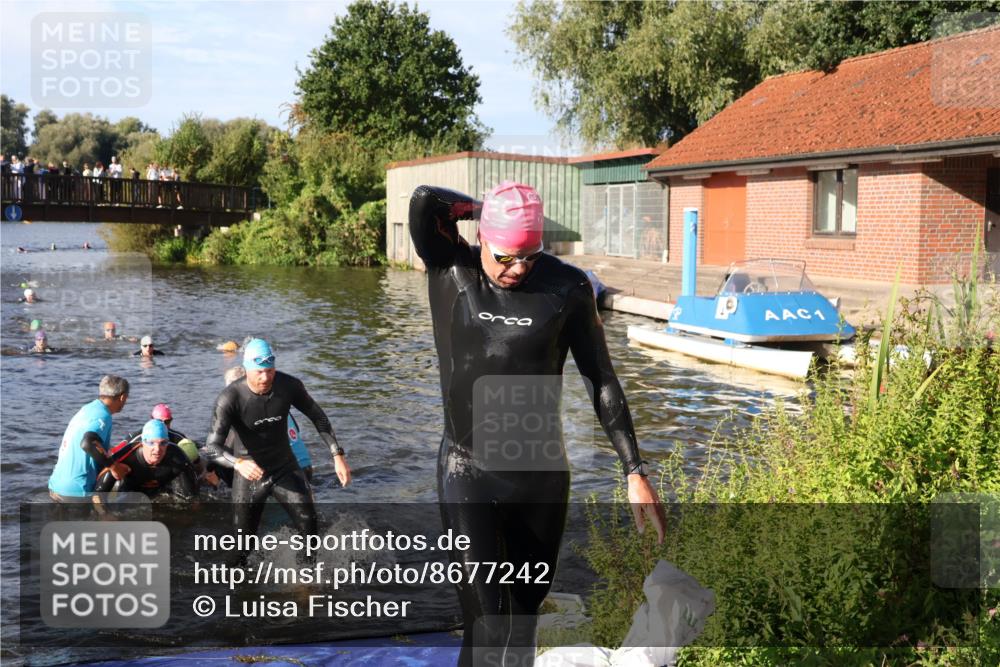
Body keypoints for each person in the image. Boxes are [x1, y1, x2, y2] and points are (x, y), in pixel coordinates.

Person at [409, 181, 666, 666]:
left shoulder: (567, 288)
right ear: (482, 237)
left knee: (522, 626)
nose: (519, 268)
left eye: (530, 253)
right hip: (469, 473)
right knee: (486, 625)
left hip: (540, 480)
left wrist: (635, 470)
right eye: (506, 256)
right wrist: (498, 209)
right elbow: (424, 199)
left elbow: (601, 378)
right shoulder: (452, 269)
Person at [202, 339, 350, 541]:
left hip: (285, 468)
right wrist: (238, 463)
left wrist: (337, 455)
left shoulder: (288, 385)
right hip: (250, 475)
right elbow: (211, 448)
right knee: (242, 547)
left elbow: (318, 417)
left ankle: (304, 572)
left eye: (270, 371)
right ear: (246, 369)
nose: (265, 378)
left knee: (310, 529)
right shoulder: (230, 398)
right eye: (259, 372)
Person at [48, 375, 130, 501]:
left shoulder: (88, 409)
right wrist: (114, 467)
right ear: (122, 397)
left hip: (55, 486)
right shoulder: (103, 416)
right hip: (77, 492)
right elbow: (87, 443)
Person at [224, 366, 313, 481]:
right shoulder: (276, 405)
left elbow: (228, 448)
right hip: (306, 467)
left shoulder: (244, 411)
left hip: (287, 474)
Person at [96, 419, 198, 501]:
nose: (157, 449)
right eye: (151, 443)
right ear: (143, 442)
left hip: (162, 492)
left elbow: (192, 498)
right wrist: (104, 514)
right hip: (131, 494)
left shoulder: (177, 456)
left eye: (163, 443)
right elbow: (98, 494)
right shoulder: (126, 457)